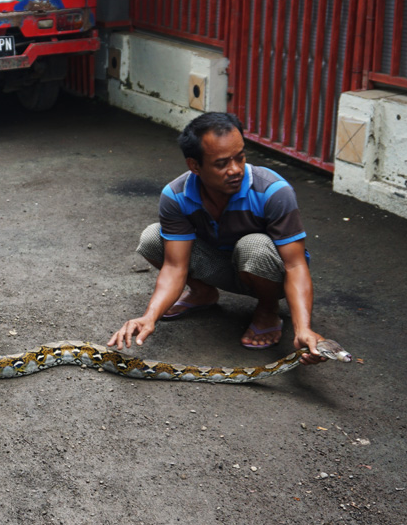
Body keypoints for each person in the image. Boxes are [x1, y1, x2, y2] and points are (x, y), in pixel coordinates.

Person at [108, 112, 326, 364]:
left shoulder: (274, 191)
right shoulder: (176, 195)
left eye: (240, 157)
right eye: (222, 163)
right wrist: (149, 316)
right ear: (195, 166)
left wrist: (303, 329)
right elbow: (175, 266)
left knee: (253, 247)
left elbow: (295, 265)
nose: (235, 170)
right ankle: (202, 293)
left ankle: (267, 310)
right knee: (153, 237)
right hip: (219, 264)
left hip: (268, 272)